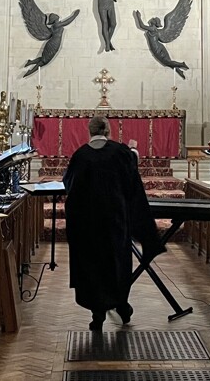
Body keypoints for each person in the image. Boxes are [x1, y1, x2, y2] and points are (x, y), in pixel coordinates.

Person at [62, 115, 164, 330]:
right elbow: (133, 186)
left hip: (88, 224)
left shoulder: (80, 155)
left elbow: (70, 185)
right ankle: (121, 304)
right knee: (116, 263)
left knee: (93, 266)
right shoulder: (120, 152)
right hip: (116, 221)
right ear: (108, 130)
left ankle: (97, 312)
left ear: (89, 131)